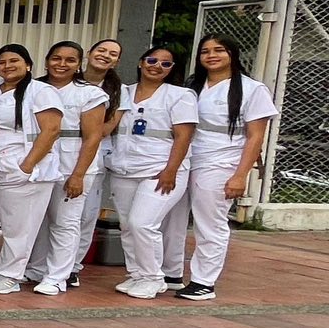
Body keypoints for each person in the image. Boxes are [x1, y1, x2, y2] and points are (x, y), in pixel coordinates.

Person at [178, 35, 275, 301]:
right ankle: (171, 274)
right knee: (174, 220)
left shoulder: (252, 89)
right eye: (205, 51)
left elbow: (255, 136)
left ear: (232, 54)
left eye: (219, 50)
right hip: (186, 158)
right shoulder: (192, 86)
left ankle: (203, 281)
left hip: (221, 161)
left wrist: (240, 176)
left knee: (209, 222)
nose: (211, 55)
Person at [0, 45, 66, 295]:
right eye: (2, 62)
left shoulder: (41, 91)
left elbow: (51, 130)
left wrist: (27, 165)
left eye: (14, 61)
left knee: (18, 227)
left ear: (28, 65)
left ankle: (10, 275)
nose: (7, 66)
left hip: (22, 164)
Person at [111, 47, 195, 299]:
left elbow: (183, 136)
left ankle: (153, 278)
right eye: (152, 60)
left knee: (143, 223)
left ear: (172, 69)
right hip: (124, 168)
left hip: (159, 171)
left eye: (165, 64)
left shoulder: (180, 96)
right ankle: (136, 274)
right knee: (127, 226)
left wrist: (171, 171)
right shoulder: (124, 93)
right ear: (140, 62)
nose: (157, 66)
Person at [29, 40, 111, 295]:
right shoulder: (34, 88)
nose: (61, 64)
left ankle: (57, 276)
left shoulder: (89, 94)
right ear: (46, 61)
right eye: (56, 58)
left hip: (72, 165)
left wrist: (78, 175)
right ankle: (36, 268)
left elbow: (93, 137)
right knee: (39, 221)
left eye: (70, 60)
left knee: (65, 222)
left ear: (79, 64)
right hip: (40, 163)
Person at [72, 39, 124, 288]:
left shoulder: (118, 91)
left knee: (85, 215)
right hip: (57, 153)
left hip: (93, 157)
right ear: (89, 53)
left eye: (112, 53)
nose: (105, 55)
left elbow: (104, 129)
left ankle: (72, 266)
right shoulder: (68, 80)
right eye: (101, 50)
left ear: (117, 61)